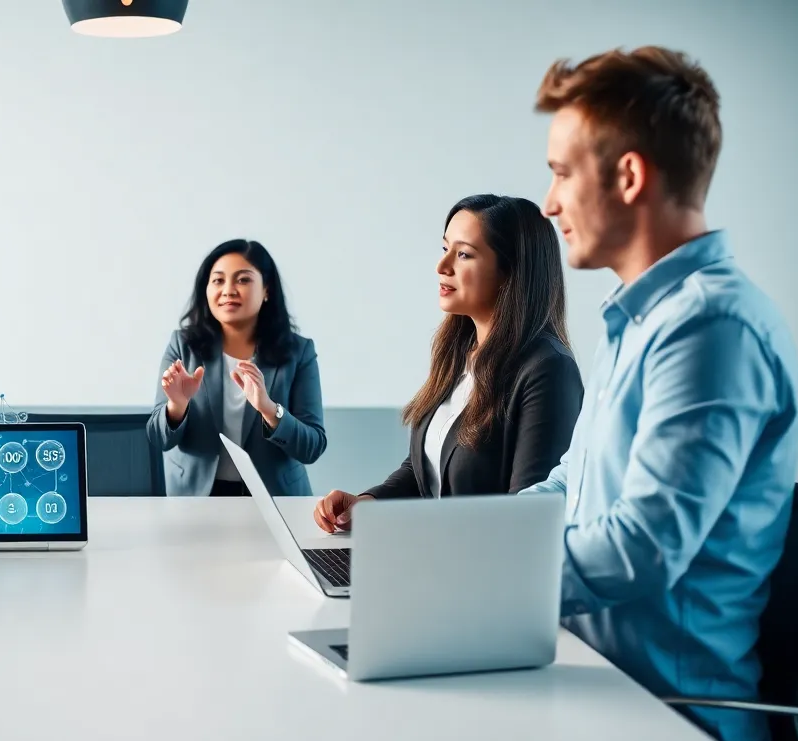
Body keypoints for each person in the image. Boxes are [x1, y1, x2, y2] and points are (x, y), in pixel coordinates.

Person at [527, 47, 798, 741]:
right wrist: (443, 540)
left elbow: (638, 549)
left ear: (628, 176)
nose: (549, 202)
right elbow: (567, 488)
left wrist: (472, 578)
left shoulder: (714, 328)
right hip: (593, 687)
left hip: (667, 727)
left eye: (560, 173)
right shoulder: (640, 322)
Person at [313, 195, 583, 532]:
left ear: (510, 272)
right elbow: (421, 469)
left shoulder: (547, 369)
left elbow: (530, 515)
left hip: (481, 571)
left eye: (464, 254)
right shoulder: (459, 350)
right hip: (433, 556)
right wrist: (367, 505)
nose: (442, 267)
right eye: (445, 249)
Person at [147, 239, 326, 497]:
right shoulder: (183, 346)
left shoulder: (298, 352)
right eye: (218, 280)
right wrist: (176, 407)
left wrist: (269, 408)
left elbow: (313, 447)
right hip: (197, 499)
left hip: (275, 500)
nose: (228, 290)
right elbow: (158, 438)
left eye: (243, 280)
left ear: (267, 290)